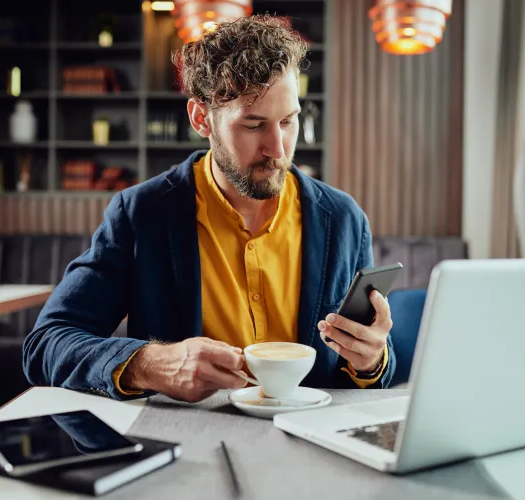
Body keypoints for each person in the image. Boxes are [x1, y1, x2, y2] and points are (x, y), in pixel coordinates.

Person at [22, 15, 397, 403]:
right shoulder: (141, 215)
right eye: (253, 125)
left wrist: (371, 360)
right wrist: (151, 364)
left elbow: (369, 372)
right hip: (185, 443)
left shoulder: (344, 218)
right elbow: (46, 344)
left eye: (288, 121)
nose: (279, 149)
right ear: (201, 118)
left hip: (312, 443)